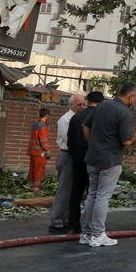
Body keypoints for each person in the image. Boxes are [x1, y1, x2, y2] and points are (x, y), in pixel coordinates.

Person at [82, 83, 136, 247]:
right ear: (131, 96)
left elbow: (85, 126)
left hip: (93, 157)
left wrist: (93, 145)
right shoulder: (123, 112)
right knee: (103, 196)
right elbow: (127, 141)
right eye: (135, 97)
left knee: (92, 194)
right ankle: (98, 235)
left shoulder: (102, 105)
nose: (135, 100)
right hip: (110, 160)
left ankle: (86, 233)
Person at [68, 91, 103, 236]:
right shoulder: (101, 117)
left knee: (76, 190)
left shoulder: (76, 117)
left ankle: (73, 224)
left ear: (87, 101)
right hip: (93, 155)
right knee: (93, 191)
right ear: (101, 102)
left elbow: (70, 140)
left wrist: (74, 153)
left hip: (77, 154)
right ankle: (90, 225)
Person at [49, 94, 85, 233]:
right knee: (65, 190)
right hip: (67, 155)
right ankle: (56, 222)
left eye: (83, 104)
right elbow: (70, 139)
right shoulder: (66, 120)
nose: (82, 107)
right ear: (71, 105)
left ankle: (66, 220)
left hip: (73, 155)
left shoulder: (77, 118)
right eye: (79, 105)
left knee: (72, 190)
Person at [26, 108, 52, 190]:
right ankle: (36, 187)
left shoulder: (35, 125)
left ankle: (30, 185)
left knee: (32, 170)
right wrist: (47, 150)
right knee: (39, 170)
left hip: (33, 151)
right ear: (46, 116)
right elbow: (43, 139)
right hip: (40, 153)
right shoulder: (43, 126)